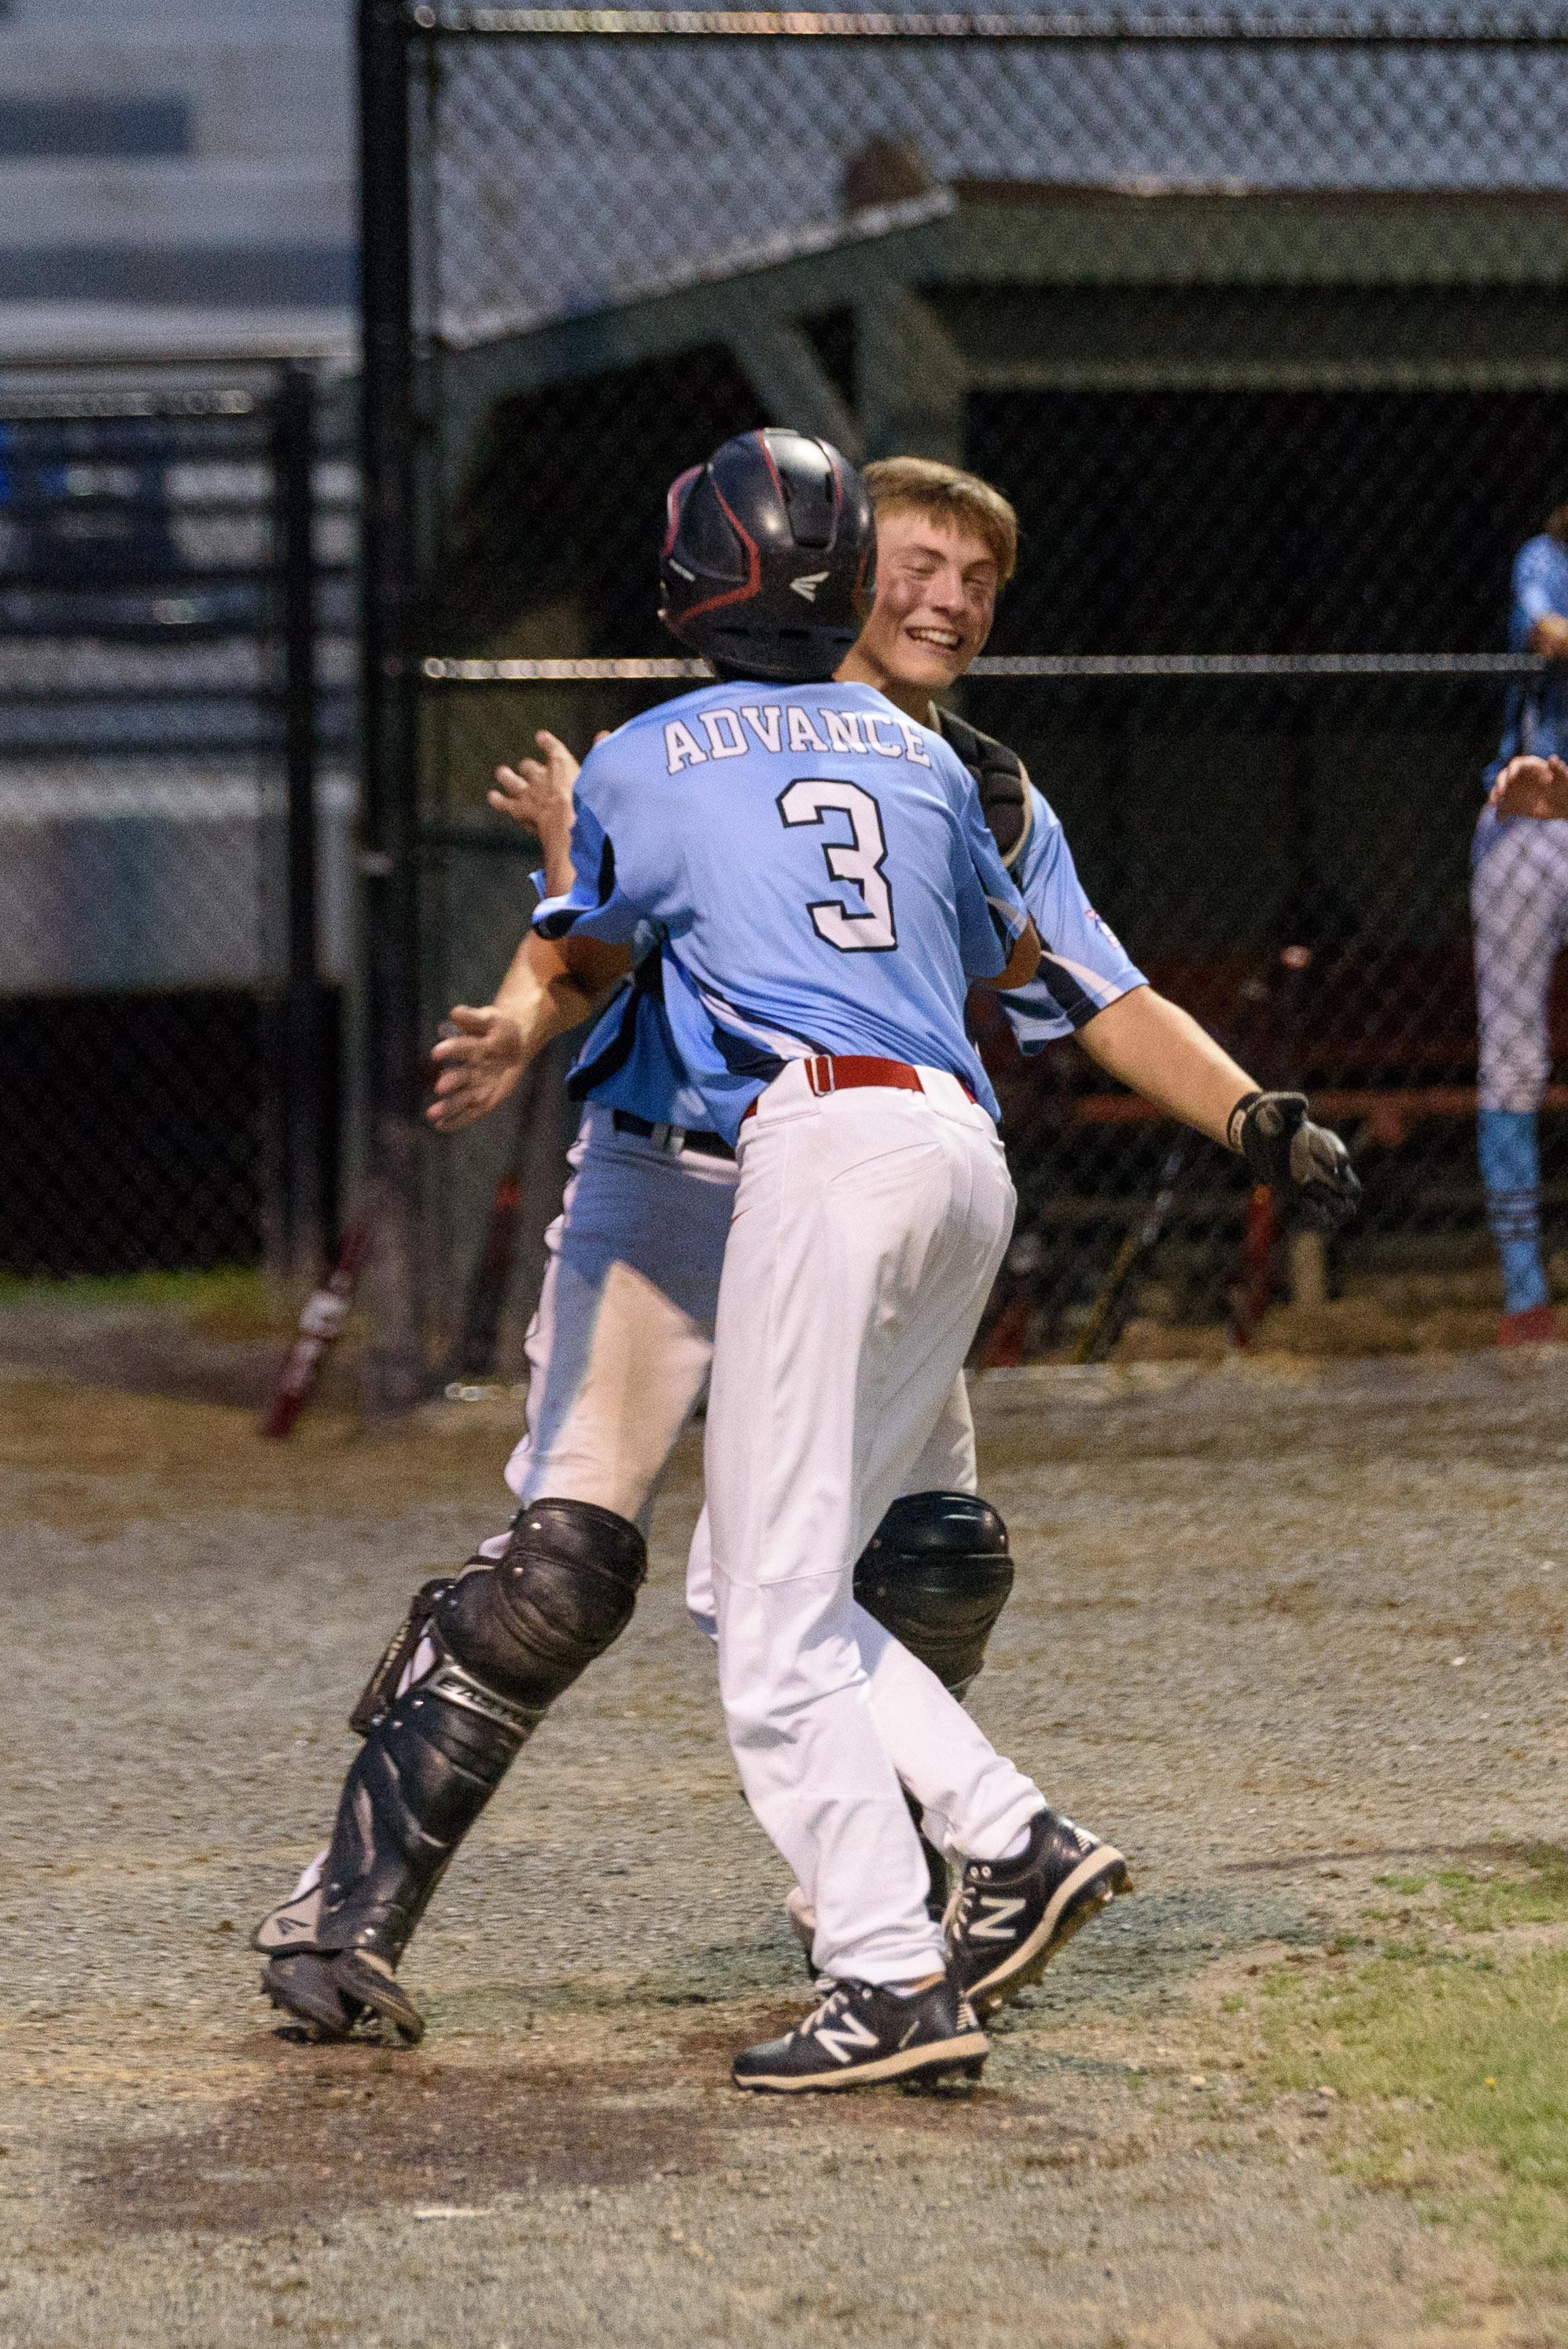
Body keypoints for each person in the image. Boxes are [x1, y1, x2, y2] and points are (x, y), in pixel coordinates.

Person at [253, 444, 1358, 2053]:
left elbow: (1092, 988)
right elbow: (586, 944)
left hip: (837, 1175)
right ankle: (344, 1913)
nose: (948, 598)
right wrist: (512, 1016)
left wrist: (1247, 1110)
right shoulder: (701, 748)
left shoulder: (966, 781)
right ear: (834, 573)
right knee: (565, 1568)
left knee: (929, 1553)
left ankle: (885, 1912)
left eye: (979, 579)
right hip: (680, 1176)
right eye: (916, 561)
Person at [1471, 508, 1568, 1342]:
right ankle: (1524, 1295)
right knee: (1512, 1058)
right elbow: (1545, 631)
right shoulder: (1546, 556)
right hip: (1529, 817)